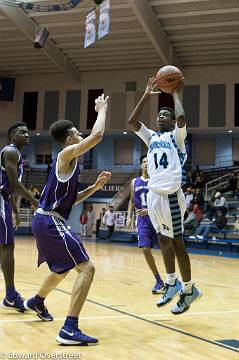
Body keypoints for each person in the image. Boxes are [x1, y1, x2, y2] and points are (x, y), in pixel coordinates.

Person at [24, 94, 111, 345]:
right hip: (51, 222)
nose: (82, 137)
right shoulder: (65, 155)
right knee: (87, 267)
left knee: (62, 269)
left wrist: (95, 187)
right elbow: (97, 137)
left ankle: (37, 300)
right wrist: (101, 110)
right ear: (70, 139)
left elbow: (72, 199)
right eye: (77, 134)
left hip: (48, 220)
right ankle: (69, 329)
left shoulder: (70, 165)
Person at [128, 76, 202, 315]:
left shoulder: (177, 138)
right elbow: (131, 121)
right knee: (162, 239)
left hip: (170, 195)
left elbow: (182, 118)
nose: (160, 116)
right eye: (158, 114)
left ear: (172, 122)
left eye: (165, 115)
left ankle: (190, 289)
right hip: (154, 195)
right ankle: (171, 283)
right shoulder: (151, 138)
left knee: (177, 243)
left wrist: (176, 93)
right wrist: (146, 95)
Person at [0, 122, 38, 312]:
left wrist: (15, 211)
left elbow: (8, 188)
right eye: (22, 132)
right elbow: (13, 184)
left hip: (4, 199)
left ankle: (10, 294)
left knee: (5, 246)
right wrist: (34, 200)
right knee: (7, 246)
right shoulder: (11, 152)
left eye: (28, 132)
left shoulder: (17, 155)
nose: (27, 135)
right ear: (12, 136)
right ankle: (11, 295)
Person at [127, 154, 164, 294]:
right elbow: (131, 200)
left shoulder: (157, 181)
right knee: (145, 249)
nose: (146, 164)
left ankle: (172, 280)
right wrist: (129, 217)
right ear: (141, 165)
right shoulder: (134, 182)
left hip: (157, 218)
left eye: (149, 162)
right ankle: (159, 280)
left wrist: (150, 210)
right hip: (142, 221)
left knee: (167, 249)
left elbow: (161, 201)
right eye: (144, 162)